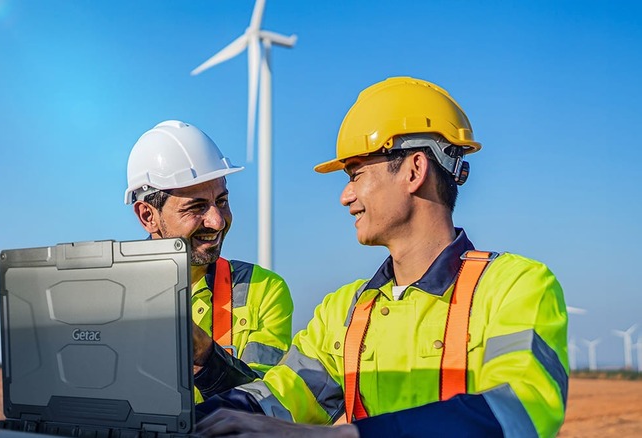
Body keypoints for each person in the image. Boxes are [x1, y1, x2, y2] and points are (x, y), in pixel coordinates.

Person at [195, 77, 569, 437]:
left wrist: (344, 436)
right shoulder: (345, 311)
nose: (345, 196)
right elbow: (275, 397)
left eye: (356, 174)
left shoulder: (515, 287)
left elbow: (519, 409)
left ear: (414, 170)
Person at [124, 120, 294, 402]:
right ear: (147, 216)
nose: (216, 221)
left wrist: (207, 357)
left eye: (222, 201)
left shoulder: (263, 290)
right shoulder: (108, 297)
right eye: (196, 207)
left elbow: (266, 404)